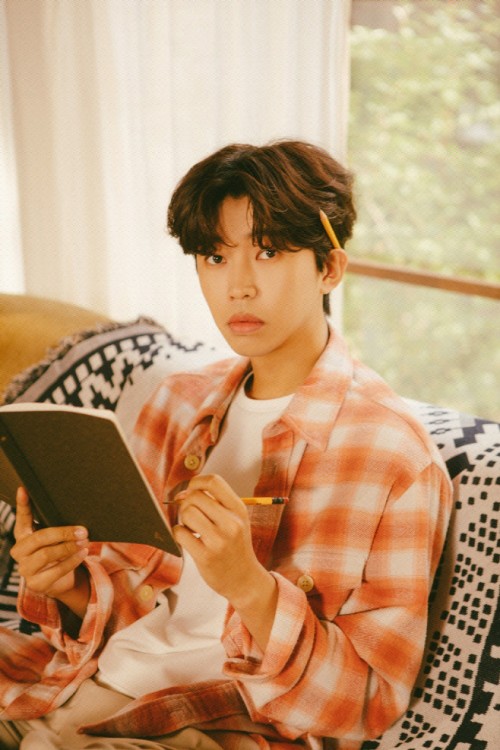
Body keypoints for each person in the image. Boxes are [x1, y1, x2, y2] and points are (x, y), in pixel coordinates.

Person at [0, 140, 452, 750]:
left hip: (208, 725)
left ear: (329, 268)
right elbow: (136, 598)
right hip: (68, 685)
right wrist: (66, 585)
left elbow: (368, 702)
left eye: (268, 251)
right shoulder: (176, 402)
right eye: (215, 256)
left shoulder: (393, 457)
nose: (238, 286)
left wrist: (250, 587)